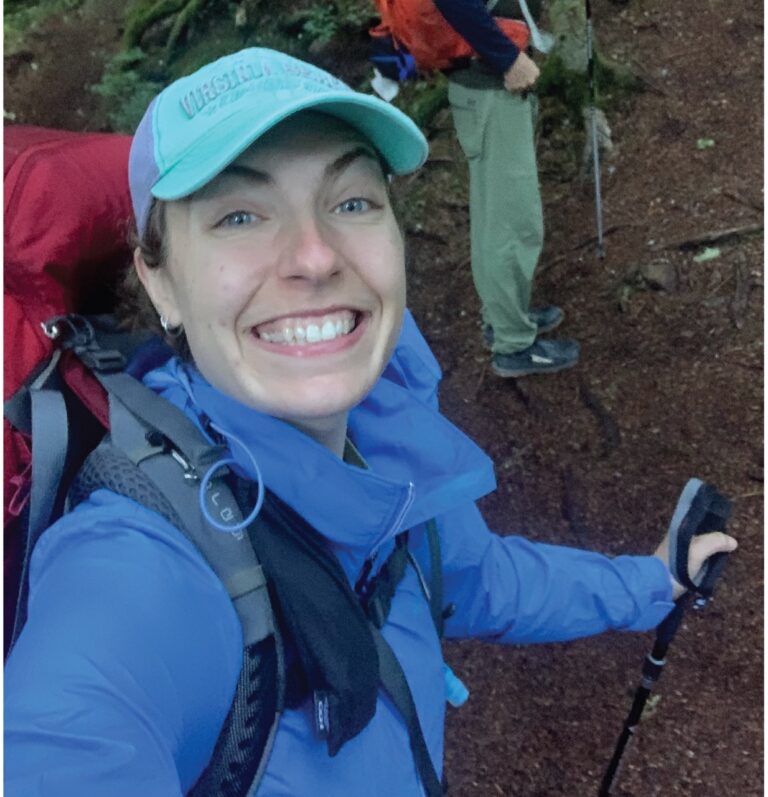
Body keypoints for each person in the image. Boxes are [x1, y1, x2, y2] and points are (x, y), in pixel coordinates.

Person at [4, 47, 736, 797]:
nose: (316, 255)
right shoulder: (137, 564)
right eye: (240, 215)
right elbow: (67, 734)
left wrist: (650, 582)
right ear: (159, 280)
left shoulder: (383, 440)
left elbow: (479, 579)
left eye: (351, 201)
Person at [434, 0, 580, 377]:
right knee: (511, 225)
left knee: (495, 217)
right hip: (491, 90)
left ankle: (504, 315)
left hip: (487, 91)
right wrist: (508, 60)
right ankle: (514, 346)